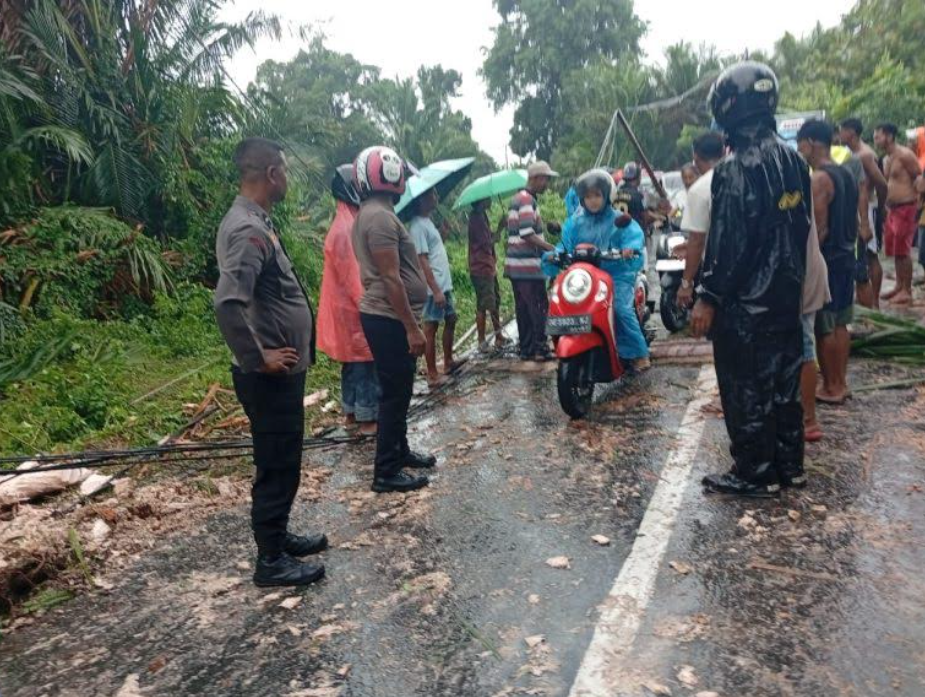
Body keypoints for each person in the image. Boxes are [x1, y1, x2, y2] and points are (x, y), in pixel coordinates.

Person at [691, 62, 812, 498]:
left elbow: (729, 242)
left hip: (745, 301)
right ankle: (789, 465)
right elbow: (800, 228)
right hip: (785, 293)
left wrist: (708, 296)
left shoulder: (733, 168)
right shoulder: (795, 160)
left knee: (745, 387)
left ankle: (755, 472)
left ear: (728, 107)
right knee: (783, 385)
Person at [214, 137, 327, 588]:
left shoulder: (256, 222)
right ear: (272, 174)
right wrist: (258, 358)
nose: (288, 178)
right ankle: (271, 560)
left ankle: (278, 538)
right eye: (286, 170)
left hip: (281, 373)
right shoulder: (248, 231)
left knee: (283, 459)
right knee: (277, 463)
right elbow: (228, 303)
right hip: (269, 376)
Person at [352, 145, 435, 494]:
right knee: (394, 395)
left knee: (400, 390)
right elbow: (390, 278)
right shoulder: (381, 218)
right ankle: (386, 470)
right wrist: (412, 328)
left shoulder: (374, 214)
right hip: (389, 318)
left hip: (389, 317)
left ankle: (399, 452)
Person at [544, 168, 650, 370]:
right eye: (588, 196)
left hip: (615, 273)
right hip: (584, 275)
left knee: (620, 309)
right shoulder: (575, 222)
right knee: (564, 303)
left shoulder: (617, 219)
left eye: (597, 195)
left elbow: (633, 237)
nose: (592, 200)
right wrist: (555, 254)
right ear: (582, 199)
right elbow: (565, 244)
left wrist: (628, 249)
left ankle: (639, 353)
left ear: (606, 195)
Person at [797, 120, 858, 407]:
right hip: (846, 255)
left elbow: (818, 230)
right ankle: (840, 382)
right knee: (842, 322)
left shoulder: (819, 179)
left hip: (829, 259)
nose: (799, 150)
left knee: (826, 326)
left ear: (810, 142)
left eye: (800, 144)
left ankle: (831, 385)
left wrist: (806, 262)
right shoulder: (845, 172)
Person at [317, 164, 379, 437]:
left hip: (346, 310)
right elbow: (355, 277)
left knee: (352, 364)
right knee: (364, 362)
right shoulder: (347, 228)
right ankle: (367, 419)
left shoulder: (346, 222)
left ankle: (352, 414)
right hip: (354, 311)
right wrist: (372, 307)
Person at [505, 161, 559, 361]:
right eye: (546, 179)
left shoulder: (517, 198)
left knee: (523, 309)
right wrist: (549, 247)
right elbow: (527, 233)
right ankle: (540, 348)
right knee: (538, 306)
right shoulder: (527, 200)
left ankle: (527, 348)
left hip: (515, 266)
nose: (547, 184)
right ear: (536, 178)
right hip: (527, 266)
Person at [408, 189, 458, 387]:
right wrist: (435, 290)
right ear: (422, 199)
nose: (437, 197)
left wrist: (443, 233)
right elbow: (421, 260)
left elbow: (433, 250)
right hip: (433, 288)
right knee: (431, 327)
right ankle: (432, 373)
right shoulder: (417, 226)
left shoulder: (427, 223)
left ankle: (448, 361)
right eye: (433, 195)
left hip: (443, 284)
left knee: (451, 319)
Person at [840, 118, 888, 307]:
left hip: (867, 209)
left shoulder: (864, 154)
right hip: (859, 210)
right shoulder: (850, 155)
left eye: (842, 130)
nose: (839, 134)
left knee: (871, 255)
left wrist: (881, 208)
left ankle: (874, 301)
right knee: (864, 255)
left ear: (851, 132)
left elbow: (882, 184)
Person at [875, 122, 923, 305]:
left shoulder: (905, 154)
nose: (876, 139)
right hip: (892, 209)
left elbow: (919, 178)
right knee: (895, 250)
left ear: (889, 136)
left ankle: (907, 290)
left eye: (878, 136)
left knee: (903, 250)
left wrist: (919, 204)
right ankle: (899, 285)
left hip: (907, 207)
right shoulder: (886, 158)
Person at [676, 131, 726, 310]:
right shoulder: (743, 177)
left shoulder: (700, 189)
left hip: (718, 273)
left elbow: (697, 240)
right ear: (724, 152)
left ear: (695, 157)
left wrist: (686, 284)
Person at [468, 198, 505, 351]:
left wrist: (498, 231)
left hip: (488, 266)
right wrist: (501, 227)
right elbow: (488, 242)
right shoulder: (476, 219)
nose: (490, 199)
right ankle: (482, 341)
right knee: (483, 304)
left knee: (494, 301)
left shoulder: (482, 216)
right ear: (481, 200)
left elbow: (492, 237)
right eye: (487, 198)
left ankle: (498, 335)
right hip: (481, 268)